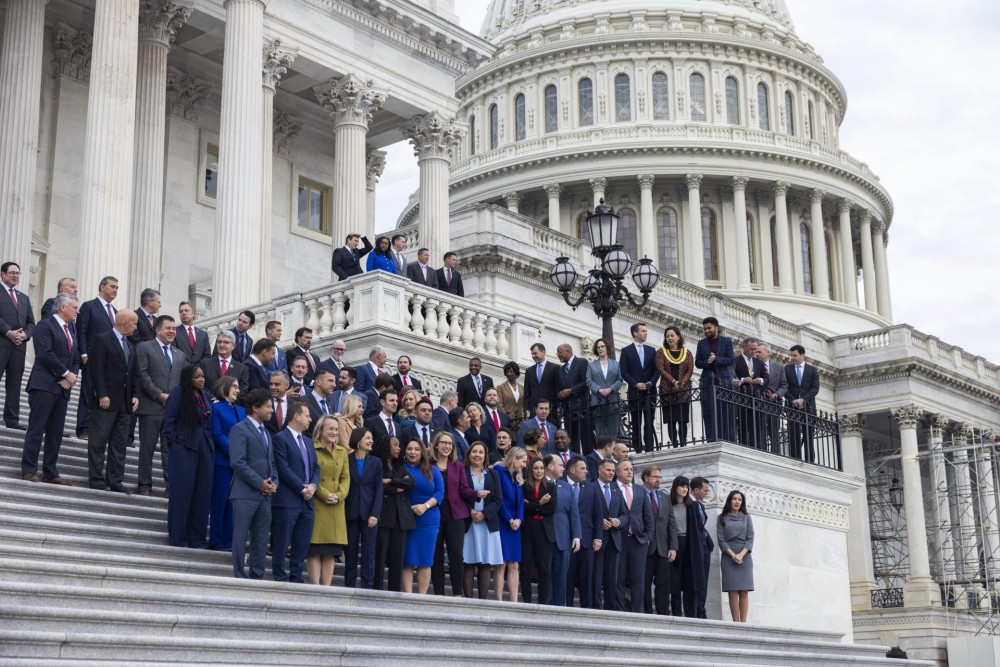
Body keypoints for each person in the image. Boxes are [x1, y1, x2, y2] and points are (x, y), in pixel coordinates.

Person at [20, 294, 79, 484]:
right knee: (37, 429)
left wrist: (71, 377)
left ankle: (50, 471)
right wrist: (64, 374)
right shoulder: (45, 325)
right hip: (44, 385)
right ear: (63, 307)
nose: (77, 311)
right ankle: (29, 469)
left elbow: (76, 357)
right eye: (74, 307)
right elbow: (45, 354)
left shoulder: (72, 329)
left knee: (55, 432)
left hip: (62, 388)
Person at [86, 309, 139, 492]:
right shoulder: (103, 339)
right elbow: (96, 369)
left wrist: (135, 395)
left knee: (119, 444)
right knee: (98, 441)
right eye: (134, 323)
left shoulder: (131, 346)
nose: (136, 327)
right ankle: (96, 479)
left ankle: (115, 480)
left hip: (124, 404)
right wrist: (102, 393)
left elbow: (134, 374)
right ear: (125, 323)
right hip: (106, 400)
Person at [163, 364, 215, 549]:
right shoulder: (178, 394)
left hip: (204, 449)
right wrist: (177, 443)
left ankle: (197, 538)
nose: (202, 379)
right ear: (188, 378)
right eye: (197, 377)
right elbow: (168, 424)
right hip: (184, 448)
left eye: (203, 376)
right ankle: (179, 538)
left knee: (202, 494)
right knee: (182, 494)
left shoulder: (205, 395)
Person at [227, 389, 277, 579]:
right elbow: (238, 462)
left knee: (261, 538)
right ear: (256, 407)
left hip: (265, 495)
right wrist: (259, 483)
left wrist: (274, 483)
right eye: (268, 406)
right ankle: (240, 574)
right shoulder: (239, 429)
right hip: (244, 493)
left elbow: (271, 462)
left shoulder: (266, 433)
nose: (271, 410)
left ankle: (257, 575)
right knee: (240, 536)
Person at [135, 315, 186, 497]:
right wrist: (159, 395)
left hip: (172, 411)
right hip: (151, 407)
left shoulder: (180, 355)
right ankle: (144, 485)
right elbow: (142, 375)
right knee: (147, 448)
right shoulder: (144, 347)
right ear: (157, 329)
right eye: (168, 328)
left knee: (170, 450)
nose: (172, 331)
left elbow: (183, 380)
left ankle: (171, 487)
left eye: (174, 328)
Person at [270, 401, 319, 583]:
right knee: (282, 541)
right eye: (307, 415)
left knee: (302, 542)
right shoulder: (280, 438)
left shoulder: (307, 441)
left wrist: (313, 486)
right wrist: (302, 488)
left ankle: (296, 576)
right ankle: (280, 576)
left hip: (307, 501)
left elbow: (315, 467)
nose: (310, 419)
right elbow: (283, 468)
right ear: (296, 416)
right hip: (287, 499)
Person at [308, 414, 351, 585]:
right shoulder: (311, 448)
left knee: (330, 550)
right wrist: (325, 494)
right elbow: (310, 475)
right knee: (315, 549)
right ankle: (315, 587)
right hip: (318, 503)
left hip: (336, 505)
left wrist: (340, 495)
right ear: (320, 430)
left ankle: (327, 588)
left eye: (336, 429)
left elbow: (346, 477)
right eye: (330, 428)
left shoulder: (342, 452)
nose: (334, 432)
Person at [431, 431, 475, 596]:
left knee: (456, 555)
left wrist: (476, 495)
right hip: (434, 514)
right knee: (436, 557)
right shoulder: (428, 464)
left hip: (455, 515)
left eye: (450, 443)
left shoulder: (457, 465)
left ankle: (457, 594)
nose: (447, 446)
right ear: (436, 444)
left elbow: (464, 489)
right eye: (443, 442)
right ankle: (439, 594)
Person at [76, 276, 119, 439]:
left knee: (103, 395)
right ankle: (83, 428)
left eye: (117, 288)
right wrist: (84, 354)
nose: (115, 290)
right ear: (102, 287)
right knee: (87, 393)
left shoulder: (116, 312)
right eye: (112, 286)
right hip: (92, 359)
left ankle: (98, 429)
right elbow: (82, 331)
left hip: (109, 363)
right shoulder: (89, 306)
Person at [401, 438, 444, 594]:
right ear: (405, 451)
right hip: (407, 518)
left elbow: (439, 493)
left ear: (423, 452)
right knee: (407, 560)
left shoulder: (433, 470)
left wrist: (425, 506)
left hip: (428, 518)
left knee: (425, 560)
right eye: (410, 449)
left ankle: (422, 597)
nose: (413, 452)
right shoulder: (401, 468)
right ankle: (408, 596)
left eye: (417, 449)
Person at [462, 441, 503, 599]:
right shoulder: (463, 472)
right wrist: (470, 511)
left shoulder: (493, 474)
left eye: (481, 452)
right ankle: (467, 601)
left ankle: (482, 601)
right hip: (468, 522)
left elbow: (498, 499)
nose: (477, 455)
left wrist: (484, 514)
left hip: (487, 523)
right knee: (468, 562)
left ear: (485, 456)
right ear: (469, 454)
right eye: (474, 452)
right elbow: (458, 495)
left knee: (485, 563)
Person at [344, 428, 384, 589]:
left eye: (372, 438)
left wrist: (375, 513)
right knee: (350, 553)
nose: (371, 441)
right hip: (350, 513)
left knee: (369, 554)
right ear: (358, 440)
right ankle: (349, 586)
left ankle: (367, 588)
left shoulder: (376, 462)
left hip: (369, 514)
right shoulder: (347, 460)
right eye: (367, 438)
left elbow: (378, 490)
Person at [373, 436, 414, 592]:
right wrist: (397, 485)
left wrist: (390, 481)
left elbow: (411, 483)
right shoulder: (377, 464)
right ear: (385, 446)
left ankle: (394, 593)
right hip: (383, 516)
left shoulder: (400, 466)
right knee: (379, 558)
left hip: (400, 518)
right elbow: (376, 485)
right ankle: (376, 591)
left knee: (398, 560)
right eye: (395, 445)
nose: (399, 448)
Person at [209, 375, 244, 550]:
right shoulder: (216, 408)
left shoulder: (241, 410)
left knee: (233, 504)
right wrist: (234, 452)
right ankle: (216, 539)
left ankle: (229, 540)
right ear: (225, 387)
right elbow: (217, 434)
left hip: (239, 465)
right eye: (235, 387)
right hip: (223, 463)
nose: (238, 390)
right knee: (220, 501)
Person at [615, 459, 654, 612]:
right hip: (619, 540)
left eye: (631, 469)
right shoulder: (612, 488)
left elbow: (648, 515)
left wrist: (648, 536)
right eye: (625, 469)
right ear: (617, 472)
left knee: (638, 579)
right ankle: (620, 611)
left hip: (639, 541)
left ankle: (639, 612)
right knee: (619, 578)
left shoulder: (640, 490)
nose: (630, 472)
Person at [0, 261, 35, 430]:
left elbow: (31, 322)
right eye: (12, 273)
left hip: (19, 347)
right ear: (2, 274)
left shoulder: (24, 297)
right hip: (2, 344)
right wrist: (9, 332)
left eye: (18, 273)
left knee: (14, 384)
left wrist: (25, 334)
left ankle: (12, 419)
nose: (15, 276)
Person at [566, 456, 603, 609]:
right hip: (566, 539)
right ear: (572, 470)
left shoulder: (591, 488)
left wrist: (598, 538)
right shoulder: (561, 485)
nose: (586, 472)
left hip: (587, 540)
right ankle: (566, 607)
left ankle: (587, 609)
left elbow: (598, 514)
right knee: (567, 575)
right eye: (583, 468)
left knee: (587, 577)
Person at [668, 475, 707, 617]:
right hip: (674, 544)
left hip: (690, 546)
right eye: (682, 486)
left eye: (686, 486)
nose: (685, 489)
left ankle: (691, 615)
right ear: (675, 487)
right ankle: (676, 614)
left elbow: (699, 528)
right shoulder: (668, 505)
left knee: (691, 582)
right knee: (675, 582)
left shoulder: (693, 505)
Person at [544, 454, 581, 606]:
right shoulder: (538, 484)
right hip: (544, 537)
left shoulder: (566, 486)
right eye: (560, 465)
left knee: (561, 576)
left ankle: (561, 607)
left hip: (563, 539)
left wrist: (577, 536)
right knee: (546, 576)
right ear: (550, 467)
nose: (563, 469)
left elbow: (574, 513)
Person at [593, 458, 628, 610]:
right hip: (597, 540)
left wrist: (619, 521)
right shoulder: (591, 487)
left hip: (614, 540)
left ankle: (610, 610)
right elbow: (585, 513)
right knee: (596, 577)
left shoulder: (616, 490)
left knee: (612, 579)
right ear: (600, 470)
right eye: (608, 470)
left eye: (613, 471)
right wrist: (599, 522)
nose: (611, 473)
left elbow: (625, 514)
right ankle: (594, 609)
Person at [642, 465, 677, 615]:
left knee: (663, 583)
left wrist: (673, 546)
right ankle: (647, 613)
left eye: (659, 477)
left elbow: (671, 523)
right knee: (645, 582)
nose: (658, 480)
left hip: (663, 548)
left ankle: (663, 614)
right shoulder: (638, 493)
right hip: (645, 547)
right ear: (646, 478)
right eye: (655, 477)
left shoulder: (664, 496)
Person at [520, 457, 556, 603]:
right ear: (530, 470)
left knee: (544, 569)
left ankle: (543, 603)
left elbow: (551, 509)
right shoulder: (524, 486)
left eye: (541, 468)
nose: (539, 471)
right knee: (525, 569)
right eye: (536, 468)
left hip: (544, 532)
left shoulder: (551, 486)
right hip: (527, 532)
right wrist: (540, 503)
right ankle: (527, 601)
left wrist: (532, 506)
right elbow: (522, 509)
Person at [619, 323, 659, 454]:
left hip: (650, 392)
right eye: (643, 331)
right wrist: (635, 384)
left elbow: (657, 370)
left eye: (646, 331)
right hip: (635, 391)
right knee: (636, 422)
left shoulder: (651, 350)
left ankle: (649, 448)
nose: (646, 333)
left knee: (649, 421)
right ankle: (637, 449)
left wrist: (650, 383)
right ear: (635, 333)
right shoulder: (626, 351)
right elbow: (624, 372)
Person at [494, 446, 526, 602]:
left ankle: (514, 602)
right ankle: (499, 600)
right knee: (501, 564)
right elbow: (498, 498)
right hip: (502, 523)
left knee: (514, 565)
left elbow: (520, 502)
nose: (524, 465)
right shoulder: (499, 471)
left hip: (515, 526)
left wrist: (519, 519)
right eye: (523, 461)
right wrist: (509, 519)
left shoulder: (518, 478)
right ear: (515, 459)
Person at [695, 317, 735, 443]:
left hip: (723, 381)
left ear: (716, 328)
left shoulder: (726, 341)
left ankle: (724, 439)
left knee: (723, 412)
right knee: (708, 412)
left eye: (709, 328)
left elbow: (730, 360)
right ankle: (711, 439)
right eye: (705, 328)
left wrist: (716, 359)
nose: (706, 331)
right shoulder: (701, 343)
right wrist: (709, 362)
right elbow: (697, 363)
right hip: (707, 381)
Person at [654, 325, 694, 448]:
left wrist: (681, 383)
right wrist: (673, 382)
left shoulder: (687, 352)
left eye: (672, 335)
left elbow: (690, 369)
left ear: (678, 337)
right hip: (667, 390)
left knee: (682, 419)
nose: (670, 338)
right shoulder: (661, 352)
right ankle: (675, 443)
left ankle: (682, 442)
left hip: (683, 391)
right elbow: (660, 369)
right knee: (670, 420)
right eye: (667, 336)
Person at [718, 489, 754, 623]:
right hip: (728, 556)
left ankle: (743, 624)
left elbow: (750, 538)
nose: (737, 502)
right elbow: (721, 540)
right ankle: (736, 623)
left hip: (745, 556)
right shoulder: (722, 518)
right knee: (732, 591)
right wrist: (733, 555)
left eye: (739, 499)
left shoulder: (746, 517)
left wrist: (741, 554)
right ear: (729, 501)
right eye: (734, 499)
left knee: (744, 591)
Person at [785, 344, 820, 462]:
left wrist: (803, 400)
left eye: (795, 355)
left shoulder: (812, 370)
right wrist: (793, 400)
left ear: (802, 355)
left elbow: (815, 389)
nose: (792, 357)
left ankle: (810, 461)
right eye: (791, 355)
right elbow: (785, 387)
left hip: (808, 408)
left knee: (808, 436)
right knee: (793, 436)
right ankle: (795, 460)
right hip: (792, 407)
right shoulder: (786, 369)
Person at [556, 343, 590, 454]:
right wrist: (560, 396)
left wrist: (571, 391)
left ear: (568, 351)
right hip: (568, 409)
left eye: (560, 353)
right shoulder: (561, 369)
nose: (558, 355)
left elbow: (586, 382)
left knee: (584, 435)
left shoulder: (582, 362)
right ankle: (574, 456)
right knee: (571, 436)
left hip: (581, 406)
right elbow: (561, 387)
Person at [586, 338, 622, 441]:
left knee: (613, 431)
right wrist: (599, 390)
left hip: (613, 401)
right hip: (597, 401)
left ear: (607, 348)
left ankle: (611, 452)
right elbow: (588, 381)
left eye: (602, 346)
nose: (600, 349)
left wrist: (611, 389)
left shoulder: (616, 364)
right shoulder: (591, 365)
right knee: (599, 431)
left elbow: (619, 380)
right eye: (598, 347)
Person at [732, 337, 765, 448]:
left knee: (756, 426)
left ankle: (756, 447)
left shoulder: (759, 363)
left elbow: (766, 378)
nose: (754, 352)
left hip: (756, 398)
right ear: (744, 347)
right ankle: (743, 446)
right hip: (742, 397)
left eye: (755, 349)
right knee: (743, 425)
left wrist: (760, 380)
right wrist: (742, 380)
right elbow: (733, 376)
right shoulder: (736, 361)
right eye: (751, 349)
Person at [689, 476, 715, 619]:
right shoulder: (688, 504)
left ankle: (701, 610)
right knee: (696, 581)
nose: (706, 493)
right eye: (705, 490)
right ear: (696, 489)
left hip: (704, 546)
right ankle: (697, 612)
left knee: (703, 581)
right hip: (696, 548)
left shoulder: (700, 505)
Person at [756, 342, 788, 453]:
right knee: (761, 429)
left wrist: (777, 394)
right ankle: (763, 451)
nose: (757, 354)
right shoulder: (754, 365)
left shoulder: (778, 368)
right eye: (756, 352)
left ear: (768, 353)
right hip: (760, 402)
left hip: (774, 404)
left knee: (774, 429)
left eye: (759, 352)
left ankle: (776, 453)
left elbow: (784, 385)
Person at [200, 331, 249, 396]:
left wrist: (227, 399)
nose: (221, 345)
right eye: (219, 342)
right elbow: (200, 385)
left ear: (233, 346)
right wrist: (212, 398)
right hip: (209, 403)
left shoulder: (242, 369)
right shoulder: (205, 364)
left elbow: (243, 391)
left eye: (226, 342)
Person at [523, 342, 559, 420]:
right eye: (532, 354)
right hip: (534, 411)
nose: (533, 356)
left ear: (543, 352)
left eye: (535, 353)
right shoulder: (529, 371)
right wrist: (526, 408)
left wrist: (559, 407)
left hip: (550, 410)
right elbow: (527, 392)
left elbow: (557, 389)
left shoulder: (554, 368)